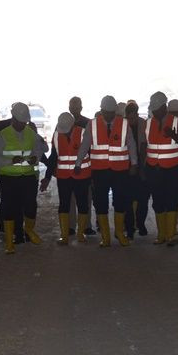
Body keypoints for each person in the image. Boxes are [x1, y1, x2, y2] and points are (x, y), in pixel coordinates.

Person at [0, 102, 47, 254]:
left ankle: (29, 230)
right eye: (21, 121)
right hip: (9, 178)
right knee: (10, 208)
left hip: (28, 177)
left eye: (25, 122)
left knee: (30, 207)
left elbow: (40, 149)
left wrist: (36, 157)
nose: (23, 124)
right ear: (13, 118)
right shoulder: (3, 135)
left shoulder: (31, 133)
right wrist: (10, 161)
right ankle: (10, 241)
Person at [88, 95, 134, 248]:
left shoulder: (124, 124)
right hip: (99, 170)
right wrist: (78, 162)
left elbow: (131, 144)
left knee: (120, 200)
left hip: (120, 170)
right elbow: (85, 145)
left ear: (115, 111)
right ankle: (105, 237)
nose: (108, 115)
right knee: (100, 201)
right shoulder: (92, 124)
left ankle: (119, 233)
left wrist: (134, 163)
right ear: (101, 110)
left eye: (111, 112)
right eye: (106, 112)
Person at [41, 112, 93, 244]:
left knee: (82, 204)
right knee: (64, 205)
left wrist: (94, 176)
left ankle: (80, 234)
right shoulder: (57, 135)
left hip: (82, 175)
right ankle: (64, 235)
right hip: (63, 176)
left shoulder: (83, 133)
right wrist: (47, 178)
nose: (64, 132)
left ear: (73, 125)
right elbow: (53, 157)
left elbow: (92, 154)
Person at [144, 92, 178, 246]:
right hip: (154, 170)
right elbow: (145, 146)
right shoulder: (148, 123)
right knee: (157, 202)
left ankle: (170, 235)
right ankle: (161, 234)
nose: (154, 112)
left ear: (164, 107)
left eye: (157, 109)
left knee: (171, 201)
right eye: (153, 109)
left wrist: (173, 135)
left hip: (172, 169)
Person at [123, 99, 152, 238]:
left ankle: (141, 224)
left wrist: (141, 167)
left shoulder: (144, 124)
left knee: (143, 198)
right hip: (126, 167)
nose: (132, 119)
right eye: (130, 117)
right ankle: (129, 228)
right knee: (128, 199)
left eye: (134, 116)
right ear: (126, 115)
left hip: (143, 166)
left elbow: (145, 145)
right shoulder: (122, 126)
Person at [67, 97, 95, 237]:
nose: (74, 109)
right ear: (69, 108)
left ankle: (86, 226)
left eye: (76, 106)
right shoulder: (64, 123)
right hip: (68, 169)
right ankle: (71, 226)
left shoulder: (88, 123)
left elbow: (92, 147)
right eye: (72, 106)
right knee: (71, 199)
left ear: (81, 108)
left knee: (86, 198)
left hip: (85, 168)